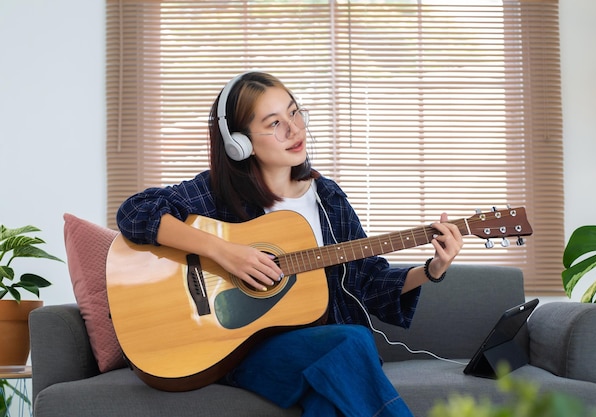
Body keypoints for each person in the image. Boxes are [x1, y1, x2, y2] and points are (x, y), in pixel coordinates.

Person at [117, 71, 464, 417]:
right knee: (352, 341)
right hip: (239, 352)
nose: (294, 129)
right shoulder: (217, 194)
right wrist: (224, 252)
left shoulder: (328, 199)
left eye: (294, 112)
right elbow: (135, 212)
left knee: (327, 400)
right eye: (274, 123)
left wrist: (432, 270)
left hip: (323, 349)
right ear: (240, 144)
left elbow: (369, 282)